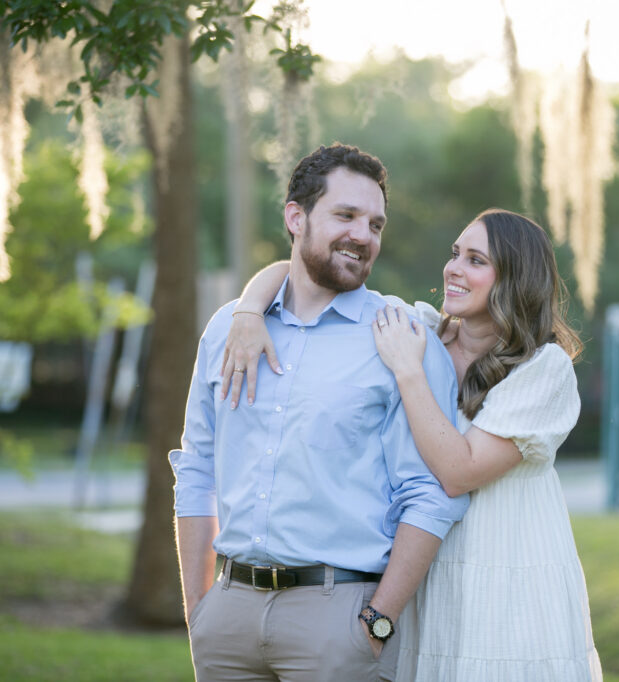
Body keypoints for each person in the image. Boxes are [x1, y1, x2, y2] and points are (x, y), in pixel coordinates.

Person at [223, 209, 603, 681]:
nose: (454, 268)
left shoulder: (544, 369)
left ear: (515, 279)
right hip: (421, 574)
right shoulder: (417, 327)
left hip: (507, 576)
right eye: (455, 253)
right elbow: (300, 271)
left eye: (476, 260)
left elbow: (459, 471)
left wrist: (408, 370)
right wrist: (247, 310)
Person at [171, 143, 469, 682]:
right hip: (227, 620)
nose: (363, 235)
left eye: (375, 224)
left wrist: (378, 623)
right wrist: (199, 611)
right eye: (346, 215)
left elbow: (430, 493)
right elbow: (196, 468)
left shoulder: (402, 338)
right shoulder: (229, 329)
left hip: (339, 623)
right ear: (296, 217)